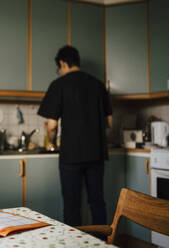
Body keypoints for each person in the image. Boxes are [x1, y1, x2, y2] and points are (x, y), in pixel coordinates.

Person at [37, 45, 113, 227]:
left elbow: (52, 125)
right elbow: (110, 123)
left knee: (72, 205)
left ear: (63, 63)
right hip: (96, 153)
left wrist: (52, 142)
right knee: (97, 202)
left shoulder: (59, 84)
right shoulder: (98, 85)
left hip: (71, 155)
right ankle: (102, 244)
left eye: (59, 67)